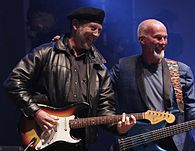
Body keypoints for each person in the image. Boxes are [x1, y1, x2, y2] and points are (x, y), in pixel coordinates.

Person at [4, 7, 136, 151]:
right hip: (44, 138)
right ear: (75, 25)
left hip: (80, 144)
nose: (96, 34)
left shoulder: (100, 69)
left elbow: (105, 110)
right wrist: (36, 112)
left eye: (99, 30)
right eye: (93, 28)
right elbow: (13, 82)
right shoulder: (45, 53)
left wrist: (119, 127)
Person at [110, 19, 195, 151]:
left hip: (176, 144)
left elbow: (191, 106)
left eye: (165, 38)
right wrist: (118, 127)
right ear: (142, 40)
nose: (163, 42)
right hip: (139, 143)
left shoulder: (181, 70)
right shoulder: (123, 68)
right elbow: (105, 101)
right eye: (158, 38)